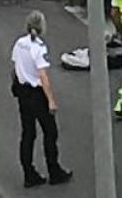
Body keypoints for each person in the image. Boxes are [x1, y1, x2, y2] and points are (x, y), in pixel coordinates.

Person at [10, 10, 73, 188]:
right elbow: (43, 76)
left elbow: (15, 67)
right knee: (50, 132)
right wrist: (51, 100)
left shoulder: (20, 43)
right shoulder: (38, 47)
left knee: (28, 133)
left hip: (22, 92)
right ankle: (54, 170)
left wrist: (15, 85)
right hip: (37, 94)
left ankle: (29, 173)